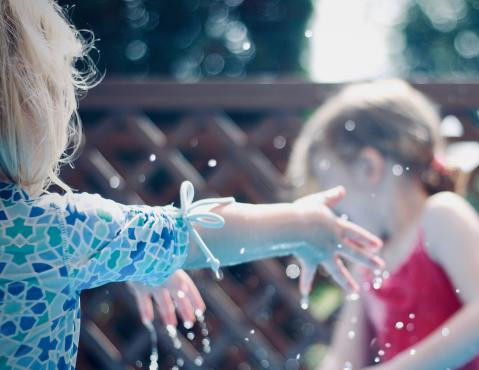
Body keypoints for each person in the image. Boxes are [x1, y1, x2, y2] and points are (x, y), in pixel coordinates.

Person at [0, 1, 383, 368]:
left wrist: (131, 261)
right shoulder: (47, 231)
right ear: (33, 104)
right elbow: (193, 231)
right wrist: (303, 224)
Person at [288, 79, 479, 370]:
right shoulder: (369, 259)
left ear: (369, 167)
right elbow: (343, 361)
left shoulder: (441, 217)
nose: (335, 212)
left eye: (332, 187)